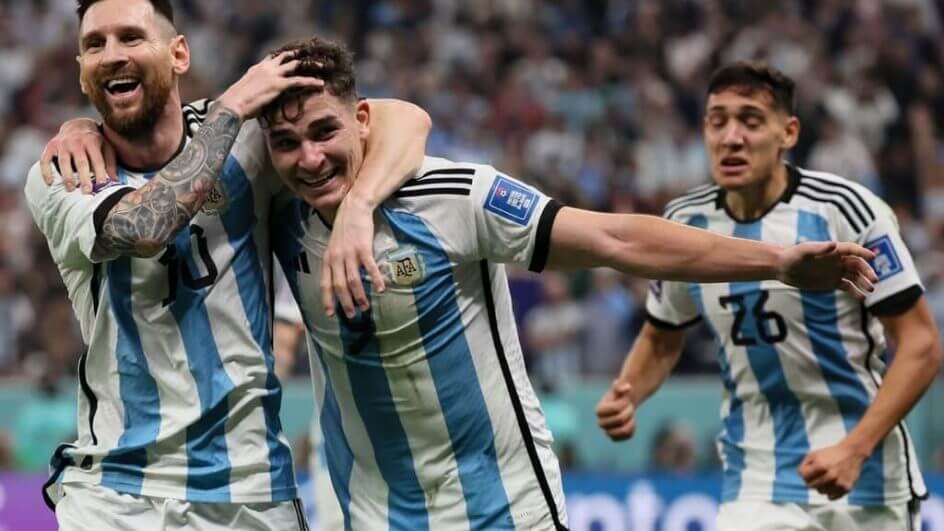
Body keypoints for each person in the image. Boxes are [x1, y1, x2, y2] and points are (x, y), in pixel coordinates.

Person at [257, 38, 876, 531]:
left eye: (324, 132)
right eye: (286, 143)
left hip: (504, 508)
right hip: (372, 516)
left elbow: (618, 240)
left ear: (362, 120)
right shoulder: (278, 213)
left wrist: (775, 262)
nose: (308, 158)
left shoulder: (455, 197)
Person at [25, 0, 430, 529]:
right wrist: (234, 105)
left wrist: (359, 205)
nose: (112, 55)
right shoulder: (65, 173)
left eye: (130, 37)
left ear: (179, 53)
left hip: (251, 490)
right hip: (117, 494)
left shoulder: (250, 142)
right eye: (95, 45)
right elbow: (145, 226)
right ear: (81, 73)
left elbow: (403, 118)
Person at [595, 61, 943, 531]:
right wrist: (629, 392)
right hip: (755, 482)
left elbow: (921, 344)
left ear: (789, 132)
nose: (731, 137)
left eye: (751, 120)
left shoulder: (845, 209)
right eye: (717, 121)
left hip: (865, 477)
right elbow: (662, 335)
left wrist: (853, 449)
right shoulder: (684, 223)